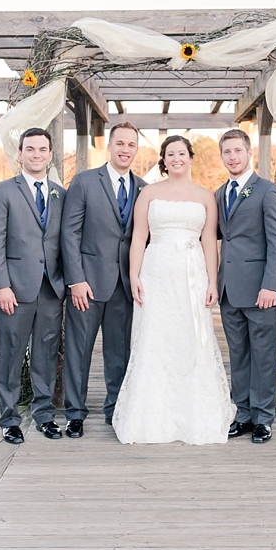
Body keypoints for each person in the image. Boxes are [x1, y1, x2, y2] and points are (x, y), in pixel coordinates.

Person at [112, 135, 236, 444]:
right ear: (163, 160)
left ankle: (195, 412)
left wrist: (211, 280)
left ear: (191, 157)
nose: (177, 158)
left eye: (182, 153)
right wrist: (135, 275)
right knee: (156, 337)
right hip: (156, 272)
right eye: (170, 154)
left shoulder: (206, 196)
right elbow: (139, 236)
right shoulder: (149, 193)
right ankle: (151, 414)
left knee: (191, 339)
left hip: (191, 275)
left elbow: (210, 240)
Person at [61, 122, 146, 437]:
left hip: (124, 285)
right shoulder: (84, 182)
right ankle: (75, 414)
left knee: (119, 352)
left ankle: (116, 410)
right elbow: (69, 233)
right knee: (78, 351)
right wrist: (76, 279)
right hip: (88, 283)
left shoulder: (144, 188)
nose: (125, 149)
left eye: (131, 145)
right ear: (109, 146)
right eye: (120, 143)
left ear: (136, 149)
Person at [0, 128, 66, 443]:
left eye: (42, 149)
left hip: (50, 289)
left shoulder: (61, 194)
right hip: (13, 290)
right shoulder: (2, 191)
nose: (36, 154)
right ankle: (9, 418)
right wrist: (1, 285)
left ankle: (44, 416)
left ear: (49, 154)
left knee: (45, 355)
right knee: (10, 355)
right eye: (30, 149)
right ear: (19, 154)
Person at [215, 129, 276, 444]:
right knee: (238, 355)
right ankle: (242, 415)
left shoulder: (268, 191)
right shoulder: (219, 193)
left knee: (263, 355)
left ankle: (263, 418)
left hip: (261, 290)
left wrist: (271, 284)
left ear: (249, 154)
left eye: (237, 151)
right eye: (227, 152)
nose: (233, 157)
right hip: (229, 291)